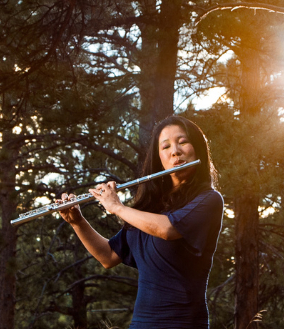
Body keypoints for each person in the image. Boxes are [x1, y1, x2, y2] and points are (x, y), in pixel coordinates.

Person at [57, 115, 224, 329]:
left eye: (182, 142)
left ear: (197, 149)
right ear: (159, 158)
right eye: (166, 147)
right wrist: (77, 222)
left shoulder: (208, 200)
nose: (175, 151)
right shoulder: (150, 210)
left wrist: (117, 206)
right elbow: (108, 256)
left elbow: (168, 229)